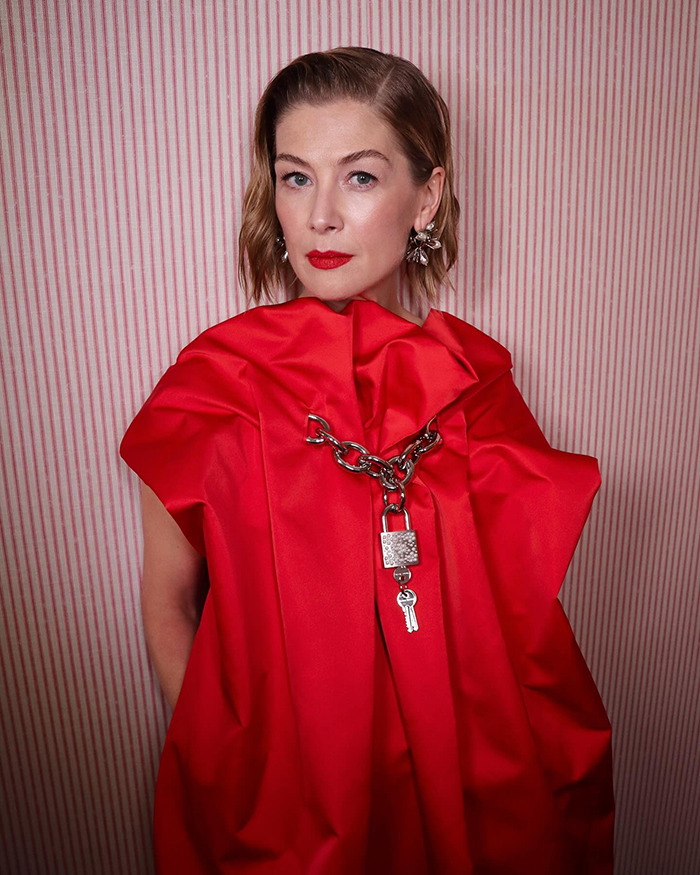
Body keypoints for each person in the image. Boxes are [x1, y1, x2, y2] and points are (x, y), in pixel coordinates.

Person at [120, 47, 614, 874]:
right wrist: (226, 756)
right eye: (295, 177)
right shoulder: (213, 385)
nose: (319, 216)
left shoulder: (477, 386)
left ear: (426, 197)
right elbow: (169, 602)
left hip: (473, 788)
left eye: (358, 177)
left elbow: (519, 626)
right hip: (283, 812)